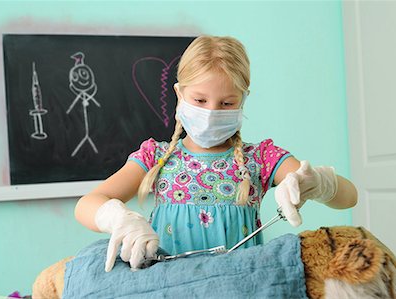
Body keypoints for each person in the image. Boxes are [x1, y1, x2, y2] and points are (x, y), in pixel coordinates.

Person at [74, 35, 358, 273]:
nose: (211, 112)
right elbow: (87, 204)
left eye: (227, 102)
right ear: (179, 94)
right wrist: (117, 218)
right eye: (199, 100)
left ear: (243, 99)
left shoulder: (260, 158)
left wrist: (319, 183)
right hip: (168, 288)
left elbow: (349, 197)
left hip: (241, 286)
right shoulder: (156, 157)